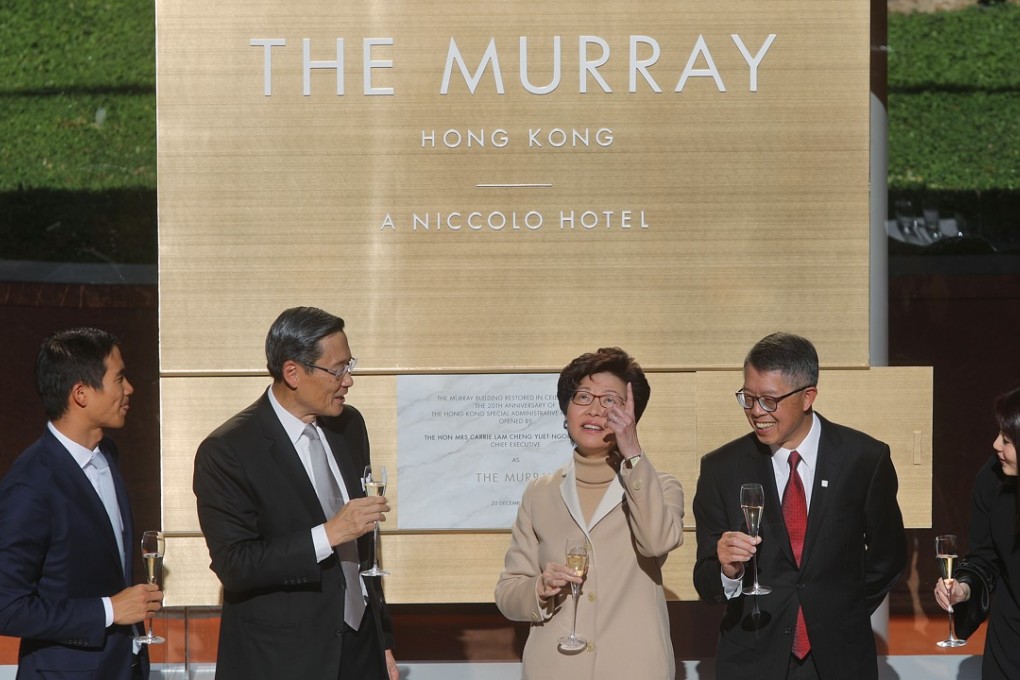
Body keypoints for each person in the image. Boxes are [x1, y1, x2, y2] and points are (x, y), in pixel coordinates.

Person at [193, 306, 398, 680]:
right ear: (292, 372)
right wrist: (329, 534)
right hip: (284, 659)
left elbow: (365, 550)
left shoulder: (349, 426)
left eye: (349, 366)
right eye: (337, 370)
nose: (348, 380)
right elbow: (235, 565)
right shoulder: (229, 450)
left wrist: (382, 640)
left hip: (360, 649)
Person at [693, 332, 906, 680]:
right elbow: (705, 580)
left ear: (808, 396)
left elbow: (889, 556)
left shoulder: (864, 458)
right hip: (753, 660)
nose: (756, 412)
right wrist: (727, 570)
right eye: (747, 398)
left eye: (769, 400)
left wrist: (839, 610)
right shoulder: (721, 468)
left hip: (840, 659)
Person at [495, 347, 684, 679]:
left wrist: (633, 454)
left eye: (611, 401)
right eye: (583, 396)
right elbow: (508, 593)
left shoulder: (659, 485)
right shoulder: (540, 492)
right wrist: (539, 588)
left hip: (635, 668)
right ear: (566, 410)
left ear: (631, 416)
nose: (595, 410)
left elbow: (656, 544)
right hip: (555, 667)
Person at [0, 327, 163, 679]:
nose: (130, 388)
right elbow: (7, 607)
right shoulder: (31, 484)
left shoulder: (108, 455)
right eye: (119, 378)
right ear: (81, 394)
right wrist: (108, 610)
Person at [933, 386, 1020, 680]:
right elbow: (985, 558)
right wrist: (965, 587)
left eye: (1007, 440)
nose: (996, 445)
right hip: (1010, 643)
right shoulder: (991, 479)